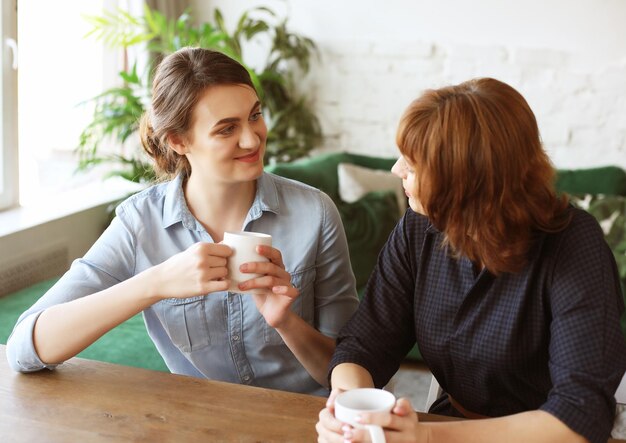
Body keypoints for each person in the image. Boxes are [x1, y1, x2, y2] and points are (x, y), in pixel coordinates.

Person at [6, 47, 359, 396]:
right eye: (226, 129)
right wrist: (156, 282)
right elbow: (24, 348)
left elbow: (349, 367)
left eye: (254, 115)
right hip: (200, 424)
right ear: (178, 140)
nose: (252, 139)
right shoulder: (139, 224)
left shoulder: (314, 213)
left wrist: (286, 322)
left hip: (305, 422)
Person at [316, 78, 626, 442]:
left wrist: (427, 438)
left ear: (465, 184)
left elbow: (579, 415)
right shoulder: (419, 229)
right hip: (450, 423)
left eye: (413, 166)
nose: (396, 170)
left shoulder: (573, 245)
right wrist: (350, 405)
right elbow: (363, 345)